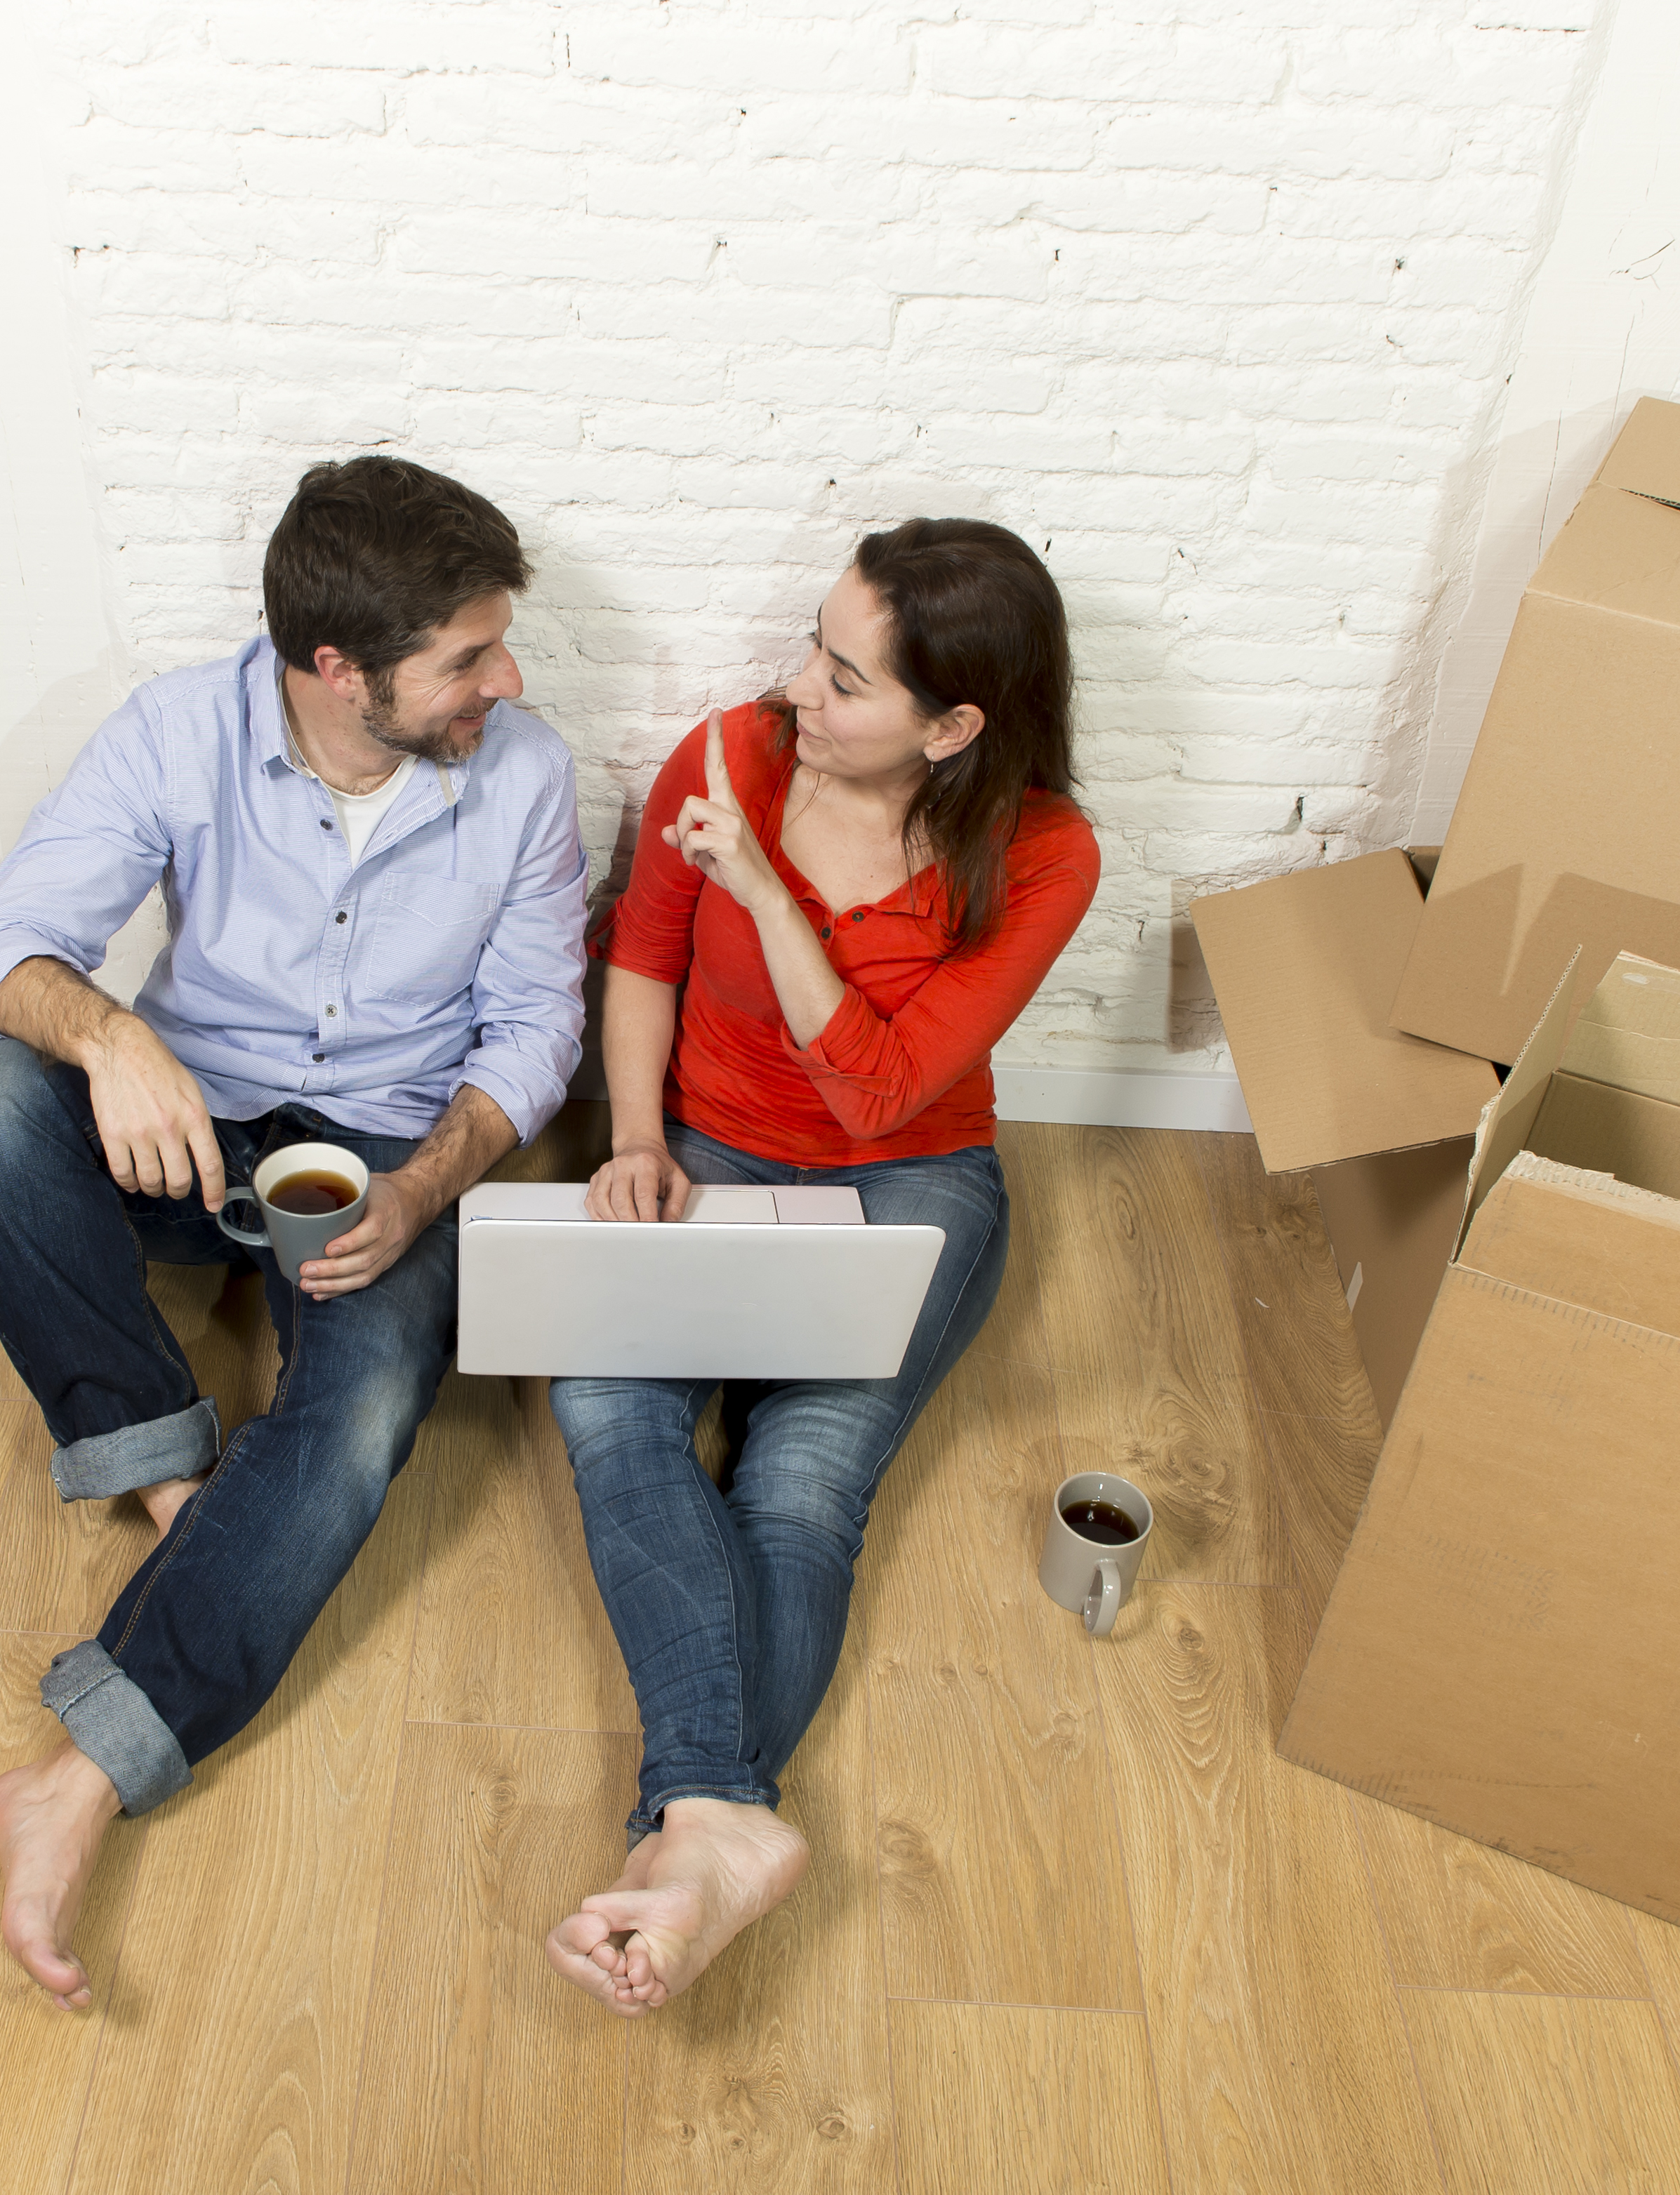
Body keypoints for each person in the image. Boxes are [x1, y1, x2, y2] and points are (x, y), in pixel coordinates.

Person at [0, 456, 588, 2009]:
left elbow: (536, 1024)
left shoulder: (527, 772)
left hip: (381, 1157)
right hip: (188, 1123)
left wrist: (426, 1187)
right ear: (335, 669)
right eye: (466, 658)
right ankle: (164, 1467)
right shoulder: (179, 728)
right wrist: (108, 1039)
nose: (507, 679)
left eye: (499, 644)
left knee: (358, 1413)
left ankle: (77, 1780)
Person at [541, 517, 1098, 2015]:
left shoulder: (1043, 853)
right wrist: (638, 1135)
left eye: (846, 681)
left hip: (906, 1178)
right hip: (711, 1150)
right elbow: (646, 953)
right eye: (812, 645)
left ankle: (693, 1832)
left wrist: (772, 896)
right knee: (609, 1407)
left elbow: (875, 1092)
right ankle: (718, 1825)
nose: (798, 690)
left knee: (796, 1485)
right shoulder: (730, 756)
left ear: (954, 724)